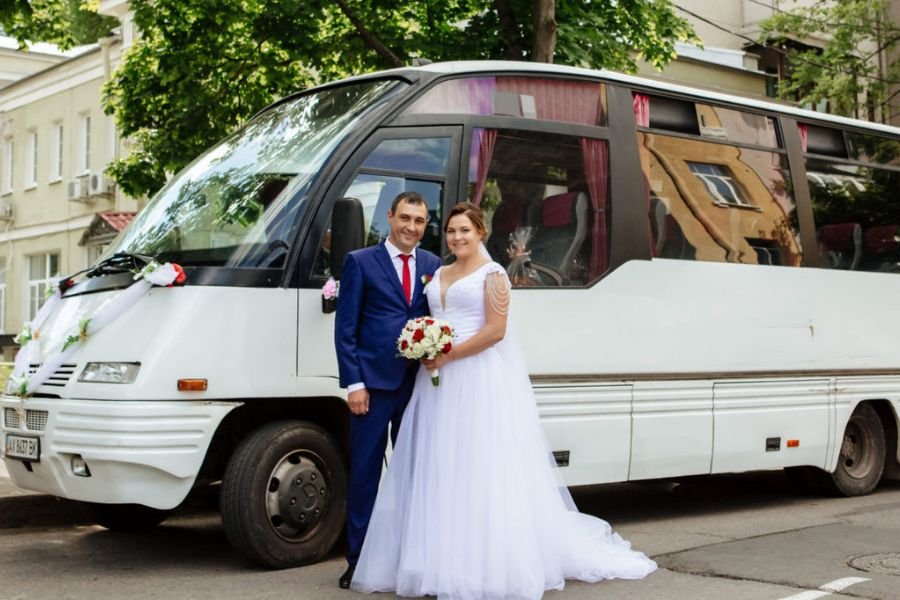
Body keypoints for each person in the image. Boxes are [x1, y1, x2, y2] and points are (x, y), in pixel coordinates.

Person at [351, 202, 657, 600]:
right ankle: (433, 559)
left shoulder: (494, 275)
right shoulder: (438, 270)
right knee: (438, 466)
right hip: (434, 384)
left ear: (480, 232)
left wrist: (448, 353)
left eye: (465, 230)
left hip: (475, 379)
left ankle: (479, 561)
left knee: (478, 467)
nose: (457, 237)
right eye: (451, 231)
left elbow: (496, 332)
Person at [334, 191, 442, 589]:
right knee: (364, 473)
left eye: (419, 221)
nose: (412, 227)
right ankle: (358, 560)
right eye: (405, 218)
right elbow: (346, 330)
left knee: (414, 474)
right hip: (373, 387)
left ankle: (408, 559)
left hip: (417, 386)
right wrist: (355, 383)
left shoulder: (433, 264)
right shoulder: (360, 262)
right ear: (391, 216)